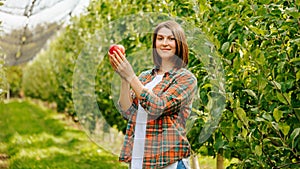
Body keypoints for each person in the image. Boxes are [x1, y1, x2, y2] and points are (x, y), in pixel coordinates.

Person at [108, 20, 197, 169]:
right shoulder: (145, 77)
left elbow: (158, 107)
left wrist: (131, 77)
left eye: (171, 39)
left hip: (168, 163)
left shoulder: (185, 78)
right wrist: (124, 79)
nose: (165, 43)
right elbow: (127, 111)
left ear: (180, 43)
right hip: (139, 159)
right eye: (160, 38)